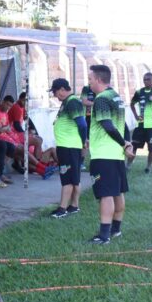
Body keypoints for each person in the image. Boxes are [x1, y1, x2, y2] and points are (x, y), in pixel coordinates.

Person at [87, 65, 132, 244]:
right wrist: (127, 145)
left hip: (104, 155)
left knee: (106, 194)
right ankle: (116, 230)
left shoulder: (102, 99)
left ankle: (104, 235)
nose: (89, 83)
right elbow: (125, 126)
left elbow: (107, 125)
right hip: (116, 155)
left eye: (90, 80)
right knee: (117, 192)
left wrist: (124, 143)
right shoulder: (116, 97)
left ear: (98, 79)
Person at [49, 79, 87, 218]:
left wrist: (84, 142)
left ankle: (62, 208)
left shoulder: (72, 102)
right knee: (74, 178)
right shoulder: (69, 102)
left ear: (62, 89)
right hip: (69, 146)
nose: (55, 95)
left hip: (69, 146)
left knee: (67, 179)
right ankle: (74, 206)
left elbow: (82, 124)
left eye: (55, 92)